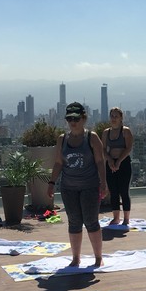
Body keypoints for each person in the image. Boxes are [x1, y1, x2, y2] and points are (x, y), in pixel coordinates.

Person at [48, 102, 107, 267]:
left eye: (76, 118)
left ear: (84, 119)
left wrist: (103, 182)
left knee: (91, 220)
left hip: (89, 185)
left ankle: (98, 257)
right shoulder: (63, 139)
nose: (72, 122)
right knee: (74, 221)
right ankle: (76, 257)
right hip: (68, 187)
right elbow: (59, 162)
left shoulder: (92, 137)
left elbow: (100, 161)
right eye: (69, 118)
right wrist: (51, 182)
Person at [102, 107, 134, 226]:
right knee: (113, 191)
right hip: (111, 163)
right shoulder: (106, 132)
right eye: (112, 116)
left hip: (124, 163)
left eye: (116, 116)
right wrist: (110, 160)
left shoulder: (126, 131)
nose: (114, 119)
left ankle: (126, 218)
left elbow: (128, 148)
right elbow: (103, 149)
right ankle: (116, 217)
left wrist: (119, 161)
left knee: (124, 191)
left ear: (121, 118)